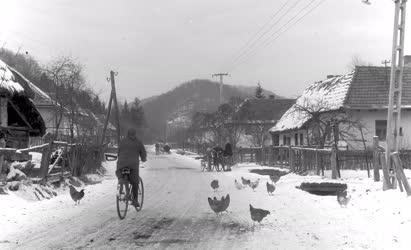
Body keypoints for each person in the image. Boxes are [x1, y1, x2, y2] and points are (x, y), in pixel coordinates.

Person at [116, 128, 147, 207]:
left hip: (121, 164)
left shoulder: (122, 141)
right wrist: (143, 159)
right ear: (135, 134)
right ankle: (135, 200)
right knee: (135, 182)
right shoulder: (138, 142)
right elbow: (143, 153)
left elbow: (118, 152)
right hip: (133, 165)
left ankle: (121, 182)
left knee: (120, 174)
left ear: (127, 134)